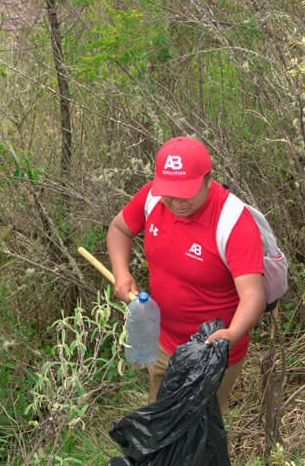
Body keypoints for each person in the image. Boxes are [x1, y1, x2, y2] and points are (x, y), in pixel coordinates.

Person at [106, 136, 266, 414]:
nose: (177, 202)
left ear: (208, 179)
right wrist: (121, 273)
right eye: (170, 192)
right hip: (164, 341)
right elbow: (119, 229)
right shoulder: (152, 198)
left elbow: (253, 294)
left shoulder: (233, 222)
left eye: (187, 192)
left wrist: (231, 335)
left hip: (212, 353)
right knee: (158, 420)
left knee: (198, 433)